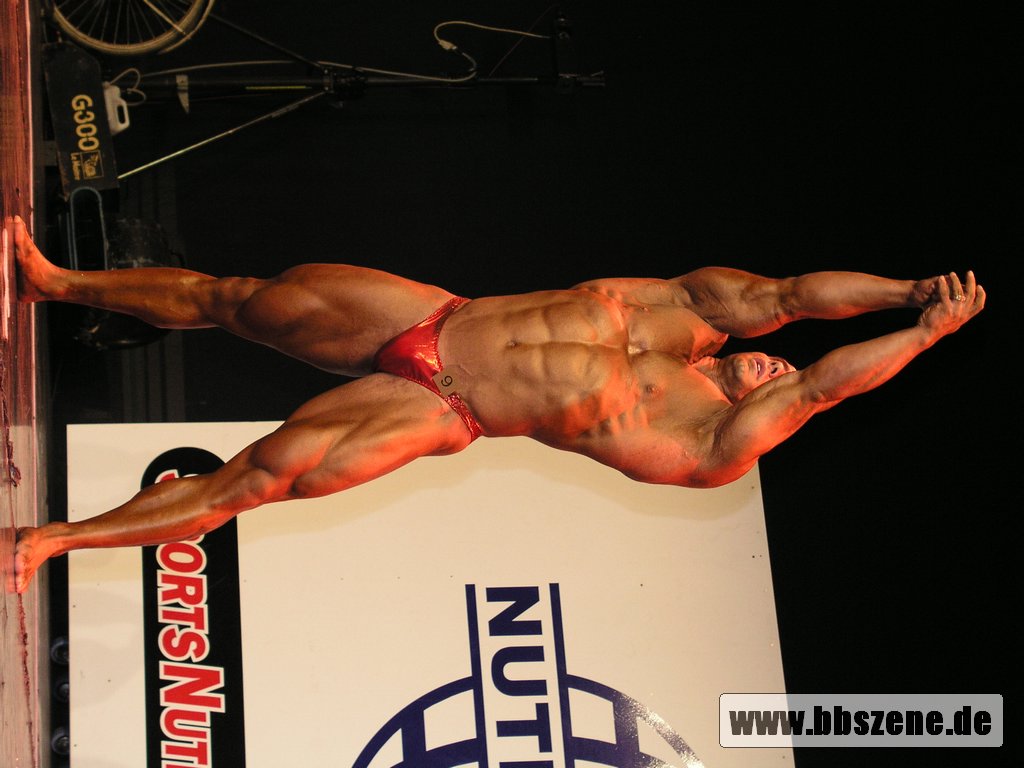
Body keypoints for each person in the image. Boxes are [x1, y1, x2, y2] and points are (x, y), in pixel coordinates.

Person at [9, 215, 984, 593]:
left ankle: (51, 541)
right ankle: (57, 282)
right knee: (236, 297)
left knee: (254, 484)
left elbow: (823, 383)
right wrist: (906, 290)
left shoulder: (709, 439)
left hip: (443, 405)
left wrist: (921, 336)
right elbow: (794, 295)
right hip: (436, 317)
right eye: (775, 353)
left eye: (783, 374)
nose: (779, 364)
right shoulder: (695, 307)